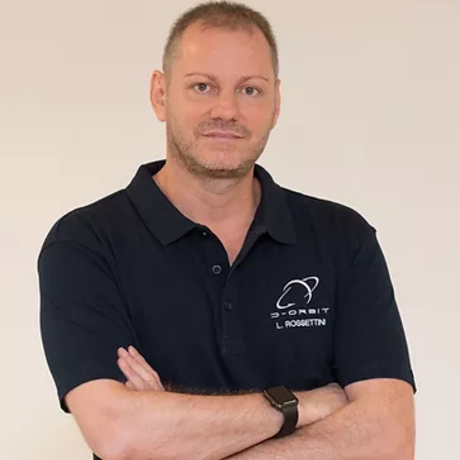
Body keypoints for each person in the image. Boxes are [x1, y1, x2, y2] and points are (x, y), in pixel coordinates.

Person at [38, 2, 416, 459]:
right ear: (160, 94)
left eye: (250, 90)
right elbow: (121, 434)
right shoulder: (86, 244)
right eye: (202, 86)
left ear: (276, 103)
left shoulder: (343, 238)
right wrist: (305, 405)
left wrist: (172, 429)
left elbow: (390, 439)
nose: (227, 109)